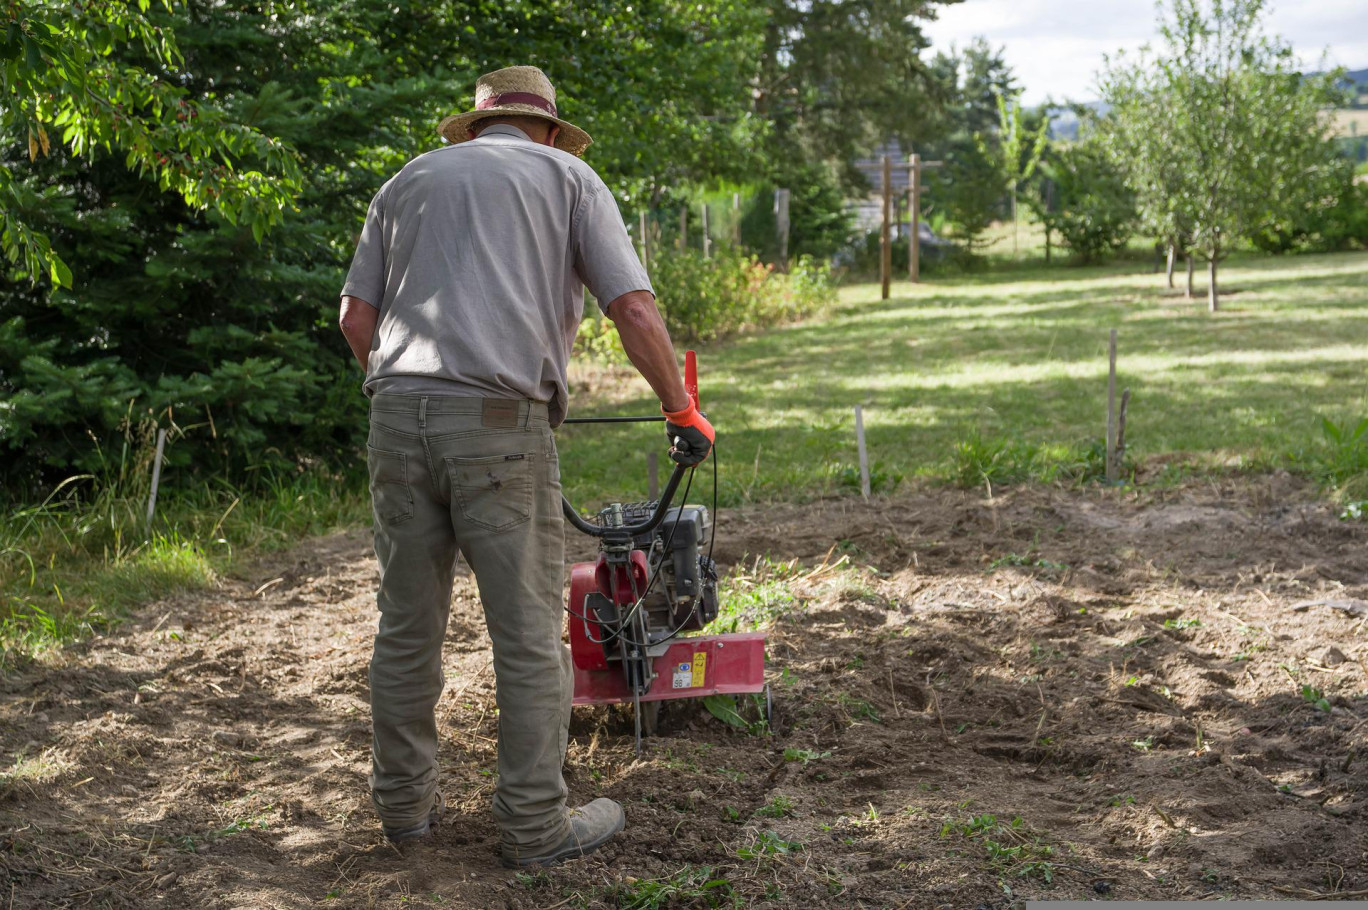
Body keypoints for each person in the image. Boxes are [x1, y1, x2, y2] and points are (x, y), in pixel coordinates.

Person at [336, 66, 713, 868]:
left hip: (395, 416)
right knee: (529, 636)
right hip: (501, 425)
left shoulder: (406, 182)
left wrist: (409, 393)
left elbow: (354, 317)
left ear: (477, 127)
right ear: (547, 129)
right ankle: (535, 827)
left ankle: (403, 816)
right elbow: (633, 308)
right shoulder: (568, 178)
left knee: (405, 630)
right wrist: (680, 408)